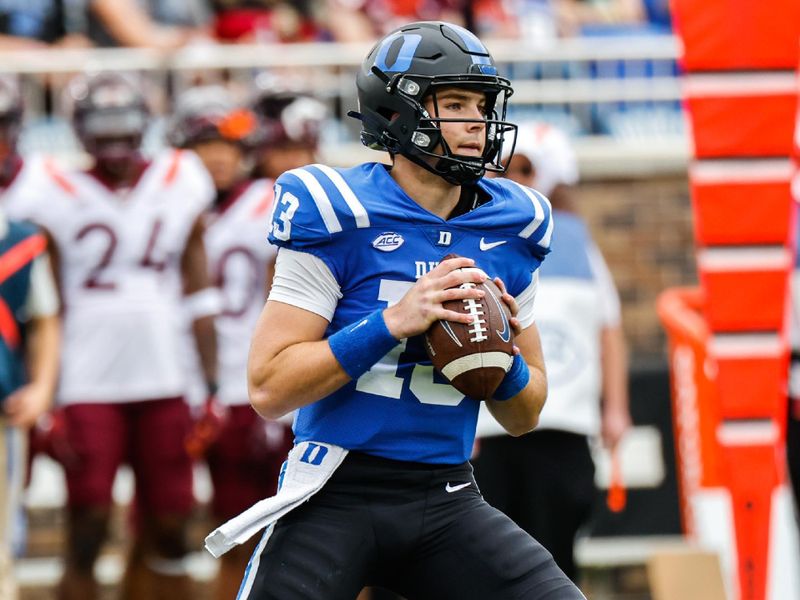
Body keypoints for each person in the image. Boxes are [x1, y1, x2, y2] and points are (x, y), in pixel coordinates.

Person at [208, 21, 586, 600]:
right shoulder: (334, 210)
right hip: (334, 492)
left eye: (482, 105)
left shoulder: (516, 224)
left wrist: (497, 354)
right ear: (397, 112)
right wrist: (390, 324)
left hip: (448, 494)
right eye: (455, 103)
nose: (477, 122)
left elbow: (524, 414)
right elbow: (269, 387)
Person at [4, 71, 218, 600]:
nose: (116, 141)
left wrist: (210, 386)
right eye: (104, 127)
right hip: (85, 375)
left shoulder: (181, 175)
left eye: (125, 126)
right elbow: (43, 308)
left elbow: (199, 294)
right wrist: (46, 394)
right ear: (79, 130)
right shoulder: (47, 188)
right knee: (88, 520)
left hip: (166, 370)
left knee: (172, 521)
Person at [472, 121, 631, 582]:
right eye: (506, 169)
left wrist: (615, 409)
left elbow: (609, 327)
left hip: (564, 420)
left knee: (556, 554)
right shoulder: (482, 232)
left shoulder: (577, 241)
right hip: (495, 424)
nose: (515, 179)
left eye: (525, 169)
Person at [167, 84, 294, 600]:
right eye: (205, 145)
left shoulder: (272, 200)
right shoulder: (167, 200)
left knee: (280, 529)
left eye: (227, 145)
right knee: (208, 524)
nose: (217, 158)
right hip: (187, 379)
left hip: (254, 381)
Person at [0, 73, 61, 600]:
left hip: (2, 409)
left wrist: (41, 387)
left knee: (1, 548)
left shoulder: (19, 239)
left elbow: (45, 318)